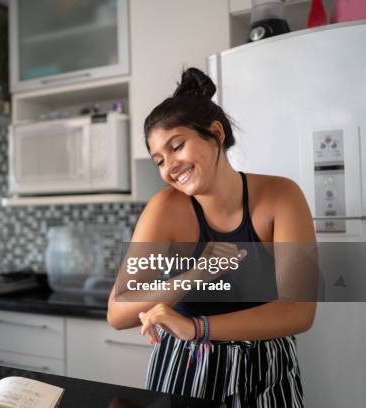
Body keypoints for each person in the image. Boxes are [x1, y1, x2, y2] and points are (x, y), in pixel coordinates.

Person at [107, 68, 316, 406]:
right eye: (159, 160)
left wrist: (197, 328)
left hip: (267, 374)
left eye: (177, 147)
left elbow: (299, 311)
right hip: (186, 372)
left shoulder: (282, 196)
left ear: (216, 134)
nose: (169, 167)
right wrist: (196, 274)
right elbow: (118, 312)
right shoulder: (164, 209)